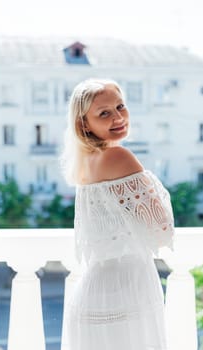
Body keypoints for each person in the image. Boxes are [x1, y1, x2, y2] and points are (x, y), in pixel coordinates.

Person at [60, 78, 175, 350]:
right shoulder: (118, 157)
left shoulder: (85, 162)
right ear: (84, 123)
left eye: (120, 106)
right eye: (104, 113)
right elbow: (161, 232)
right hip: (125, 292)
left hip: (95, 291)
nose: (118, 117)